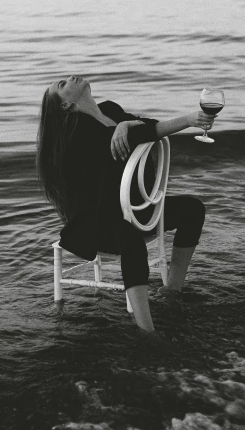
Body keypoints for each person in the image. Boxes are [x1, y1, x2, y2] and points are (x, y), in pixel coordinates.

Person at [37, 75, 212, 333]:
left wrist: (125, 123)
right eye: (62, 85)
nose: (70, 78)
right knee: (132, 243)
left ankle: (172, 291)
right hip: (99, 221)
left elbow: (141, 126)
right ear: (65, 106)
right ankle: (146, 330)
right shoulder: (78, 131)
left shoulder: (109, 109)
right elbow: (142, 132)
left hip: (137, 210)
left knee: (193, 210)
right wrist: (188, 120)